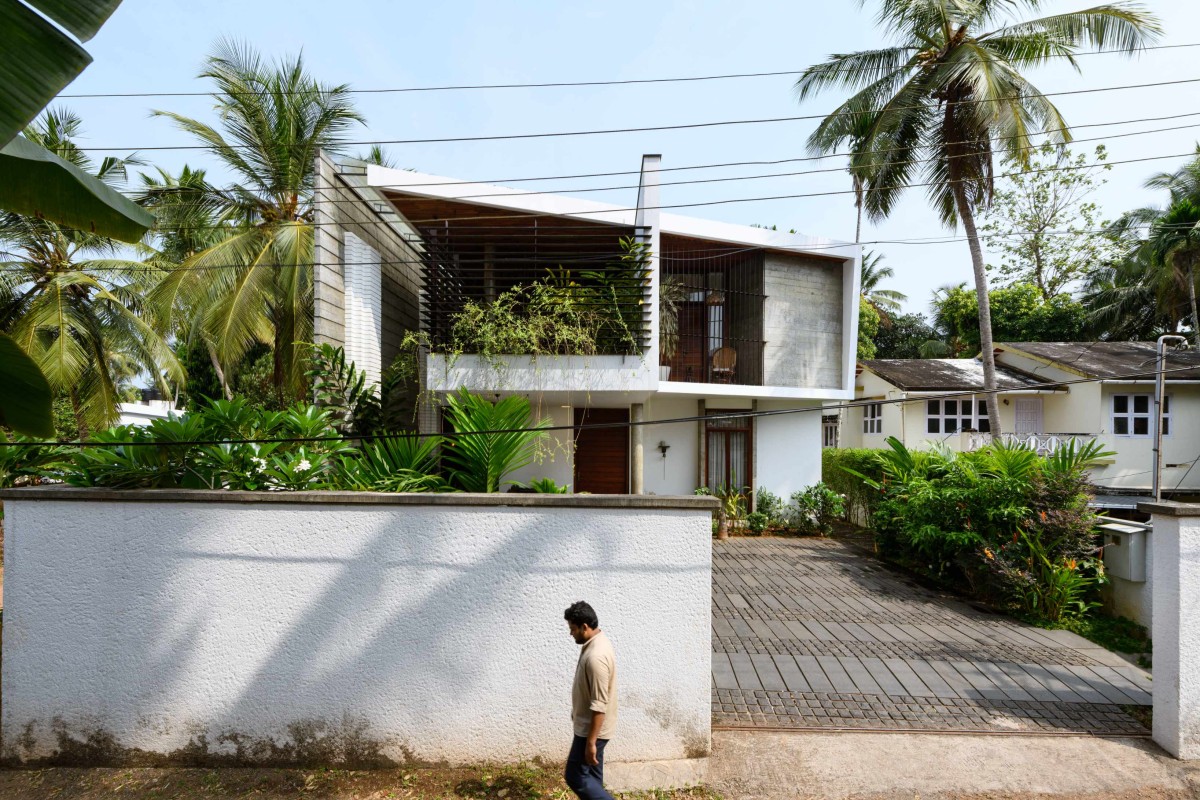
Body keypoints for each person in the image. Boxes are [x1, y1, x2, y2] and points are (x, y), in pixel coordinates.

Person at [563, 600, 618, 800]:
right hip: (593, 728)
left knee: (575, 776)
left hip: (591, 730)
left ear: (585, 626)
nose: (571, 633)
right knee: (593, 778)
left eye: (573, 629)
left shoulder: (596, 656)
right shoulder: (597, 642)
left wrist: (591, 742)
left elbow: (599, 704)